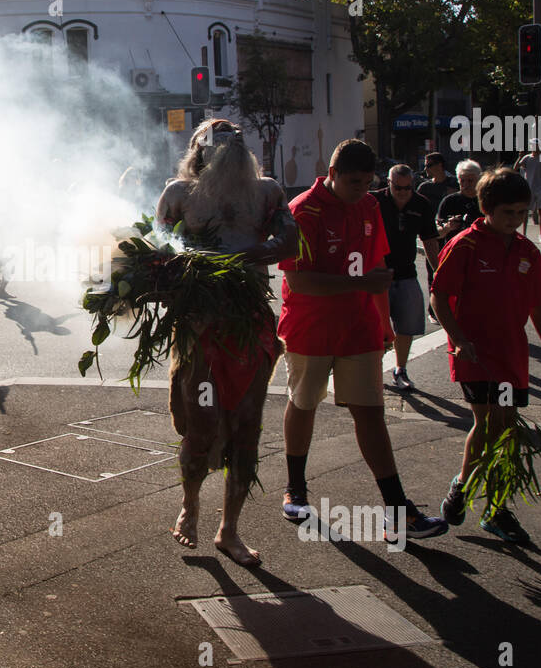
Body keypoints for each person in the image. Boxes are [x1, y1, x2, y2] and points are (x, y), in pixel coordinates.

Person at [278, 139, 448, 543]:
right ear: (332, 174)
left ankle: (397, 511)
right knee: (304, 404)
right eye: (354, 181)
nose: (360, 189)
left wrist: (384, 322)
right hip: (311, 328)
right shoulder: (304, 210)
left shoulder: (371, 207)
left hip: (359, 328)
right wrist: (360, 283)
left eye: (367, 182)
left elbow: (376, 266)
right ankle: (295, 489)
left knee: (370, 413)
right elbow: (298, 280)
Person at [156, 119, 300, 567]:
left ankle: (229, 530)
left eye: (238, 140)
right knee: (200, 424)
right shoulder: (179, 192)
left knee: (247, 426)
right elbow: (157, 241)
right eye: (221, 141)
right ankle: (191, 504)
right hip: (201, 326)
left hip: (250, 325)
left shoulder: (267, 192)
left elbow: (289, 238)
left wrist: (250, 256)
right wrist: (189, 258)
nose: (232, 145)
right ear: (200, 151)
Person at [432, 168, 541, 543]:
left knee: (507, 430)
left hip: (512, 357)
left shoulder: (527, 251)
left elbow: (538, 305)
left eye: (522, 212)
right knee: (489, 423)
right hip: (474, 354)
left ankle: (494, 508)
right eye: (509, 213)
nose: (516, 220)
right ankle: (465, 488)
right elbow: (438, 297)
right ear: (486, 208)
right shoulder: (465, 245)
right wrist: (457, 338)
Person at [370, 164, 441, 390]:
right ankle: (372, 370)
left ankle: (400, 369)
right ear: (388, 183)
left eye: (407, 188)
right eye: (397, 188)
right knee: (375, 327)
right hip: (376, 274)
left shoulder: (421, 204)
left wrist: (438, 270)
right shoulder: (373, 201)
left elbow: (430, 240)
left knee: (407, 325)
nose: (402, 192)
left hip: (406, 272)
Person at [514, 139, 541, 243]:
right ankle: (524, 234)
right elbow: (515, 168)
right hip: (528, 188)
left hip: (540, 188)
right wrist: (520, 157)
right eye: (532, 145)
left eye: (536, 145)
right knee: (525, 212)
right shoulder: (527, 158)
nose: (534, 147)